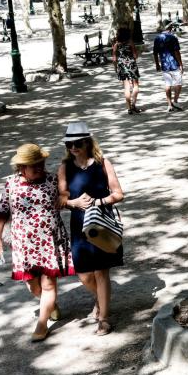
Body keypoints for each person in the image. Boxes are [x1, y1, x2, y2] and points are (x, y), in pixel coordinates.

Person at [0, 144, 74, 342]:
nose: (39, 168)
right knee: (32, 286)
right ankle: (50, 305)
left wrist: (66, 197)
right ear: (21, 167)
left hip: (50, 242)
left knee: (47, 285)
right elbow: (2, 211)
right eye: (33, 165)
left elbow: (67, 197)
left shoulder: (53, 180)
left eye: (41, 163)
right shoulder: (11, 184)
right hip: (24, 245)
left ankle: (42, 324)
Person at [58, 122, 125, 336]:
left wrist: (98, 202)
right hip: (79, 225)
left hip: (101, 223)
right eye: (69, 144)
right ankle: (100, 298)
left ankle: (104, 318)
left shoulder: (103, 163)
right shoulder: (64, 168)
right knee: (85, 275)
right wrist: (73, 203)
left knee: (101, 271)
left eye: (77, 143)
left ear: (88, 142)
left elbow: (118, 194)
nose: (73, 148)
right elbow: (60, 200)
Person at [153, 20, 184, 112]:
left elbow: (155, 53)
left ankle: (169, 104)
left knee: (167, 84)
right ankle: (175, 101)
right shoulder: (173, 38)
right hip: (174, 63)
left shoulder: (157, 38)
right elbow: (176, 52)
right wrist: (181, 64)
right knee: (178, 83)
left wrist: (157, 64)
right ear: (170, 28)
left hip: (164, 64)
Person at [112, 27, 141, 115]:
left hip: (122, 66)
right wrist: (133, 56)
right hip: (132, 65)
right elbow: (135, 56)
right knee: (135, 85)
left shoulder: (116, 44)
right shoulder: (130, 43)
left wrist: (115, 68)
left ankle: (129, 108)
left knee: (126, 88)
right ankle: (133, 105)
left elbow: (114, 58)